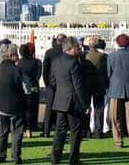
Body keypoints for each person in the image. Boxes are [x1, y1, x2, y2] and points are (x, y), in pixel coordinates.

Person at [50, 37, 90, 165]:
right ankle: (74, 158)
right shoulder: (74, 63)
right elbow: (78, 86)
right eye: (77, 47)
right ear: (71, 48)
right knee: (75, 131)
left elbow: (52, 81)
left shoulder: (56, 61)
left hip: (60, 99)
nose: (79, 49)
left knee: (60, 131)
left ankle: (55, 157)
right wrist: (85, 104)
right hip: (73, 101)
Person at [107, 34, 129, 149]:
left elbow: (108, 73)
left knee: (114, 116)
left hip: (115, 88)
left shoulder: (111, 56)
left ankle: (118, 141)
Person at [0, 43, 25, 164]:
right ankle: (16, 156)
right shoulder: (17, 70)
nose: (18, 56)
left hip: (0, 105)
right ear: (11, 55)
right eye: (16, 54)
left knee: (2, 132)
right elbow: (23, 88)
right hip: (16, 105)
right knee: (17, 133)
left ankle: (1, 155)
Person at [41, 33, 66, 137]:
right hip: (63, 83)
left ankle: (46, 130)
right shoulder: (65, 53)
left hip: (51, 83)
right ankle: (60, 129)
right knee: (62, 107)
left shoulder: (49, 52)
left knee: (49, 108)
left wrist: (46, 82)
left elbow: (45, 69)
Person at [84, 36, 108, 139]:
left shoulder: (84, 55)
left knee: (86, 107)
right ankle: (98, 131)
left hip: (86, 85)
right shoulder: (103, 56)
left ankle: (86, 130)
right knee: (99, 108)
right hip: (99, 84)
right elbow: (106, 70)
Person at [17, 42, 42, 138]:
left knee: (23, 109)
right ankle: (30, 127)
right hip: (33, 88)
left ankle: (24, 127)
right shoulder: (37, 62)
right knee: (32, 109)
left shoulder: (19, 63)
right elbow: (38, 76)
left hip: (22, 89)